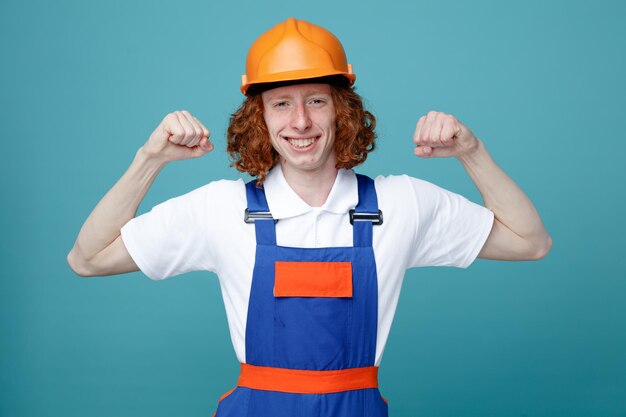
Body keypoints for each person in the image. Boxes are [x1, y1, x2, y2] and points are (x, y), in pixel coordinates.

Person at [68, 17, 551, 417]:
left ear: (342, 111)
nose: (300, 122)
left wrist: (472, 152)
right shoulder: (221, 208)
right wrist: (149, 159)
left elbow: (531, 242)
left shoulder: (402, 203)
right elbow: (88, 259)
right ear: (260, 118)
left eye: (316, 101)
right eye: (281, 103)